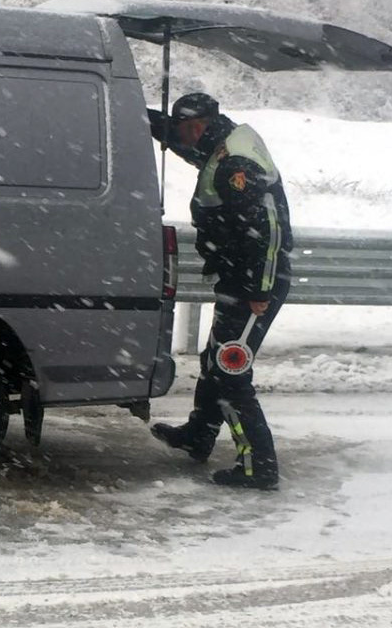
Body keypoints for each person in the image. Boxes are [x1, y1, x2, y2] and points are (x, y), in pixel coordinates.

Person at [147, 93, 292, 490]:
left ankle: (258, 467)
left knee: (231, 371)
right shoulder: (220, 144)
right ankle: (198, 435)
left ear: (198, 126)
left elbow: (266, 230)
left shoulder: (234, 164)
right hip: (239, 281)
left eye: (182, 128)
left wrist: (258, 290)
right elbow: (189, 149)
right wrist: (146, 119)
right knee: (214, 360)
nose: (180, 136)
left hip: (254, 286)